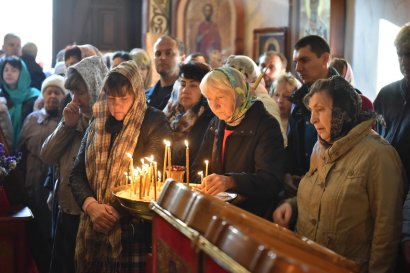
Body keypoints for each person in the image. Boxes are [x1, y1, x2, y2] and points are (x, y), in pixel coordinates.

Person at [273, 76, 404, 272]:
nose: (312, 119)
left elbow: (387, 232)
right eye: (311, 111)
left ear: (342, 111)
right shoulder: (321, 146)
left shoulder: (378, 155)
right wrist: (293, 206)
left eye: (320, 110)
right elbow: (324, 192)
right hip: (308, 262)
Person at [70, 60, 171, 273]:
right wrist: (92, 207)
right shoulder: (98, 122)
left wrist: (112, 212)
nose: (116, 105)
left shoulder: (154, 121)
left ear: (136, 95)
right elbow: (77, 173)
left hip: (130, 230)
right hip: (92, 226)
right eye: (111, 98)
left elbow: (150, 177)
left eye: (123, 98)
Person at [40, 56, 109, 273]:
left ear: (96, 85)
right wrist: (65, 126)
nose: (75, 99)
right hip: (66, 209)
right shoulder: (72, 117)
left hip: (92, 213)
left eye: (81, 92)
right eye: (72, 92)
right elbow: (47, 155)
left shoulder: (108, 121)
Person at [193, 66, 284, 218]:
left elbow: (271, 181)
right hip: (215, 212)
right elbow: (198, 167)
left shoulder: (266, 125)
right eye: (209, 99)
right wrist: (204, 183)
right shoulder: (215, 124)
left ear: (238, 94)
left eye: (220, 97)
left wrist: (232, 181)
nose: (214, 106)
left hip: (250, 216)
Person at [17, 74, 67, 273]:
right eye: (49, 92)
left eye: (57, 92)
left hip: (53, 190)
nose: (53, 96)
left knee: (50, 237)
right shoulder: (31, 119)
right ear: (43, 95)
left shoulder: (66, 123)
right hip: (30, 186)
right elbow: (20, 152)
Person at [286, 35, 338, 194]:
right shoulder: (297, 98)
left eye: (304, 60)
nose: (298, 68)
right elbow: (292, 142)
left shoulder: (345, 100)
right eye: (296, 62)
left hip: (329, 189)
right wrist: (287, 172)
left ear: (325, 59)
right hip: (299, 187)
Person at [223, 54, 287, 147]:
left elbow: (276, 143)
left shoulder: (263, 102)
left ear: (243, 76)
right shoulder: (242, 98)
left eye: (229, 78)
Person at [374, 23, 410, 186]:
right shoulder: (386, 94)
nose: (404, 62)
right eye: (400, 55)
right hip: (383, 183)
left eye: (409, 54)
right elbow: (370, 138)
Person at [163, 61, 213, 166]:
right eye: (183, 84)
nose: (185, 90)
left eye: (193, 85)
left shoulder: (209, 120)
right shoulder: (168, 112)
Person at [0, 56, 40, 148]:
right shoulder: (1, 95)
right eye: (6, 70)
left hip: (26, 147)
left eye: (14, 70)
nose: (9, 73)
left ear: (22, 73)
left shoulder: (34, 97)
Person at [146, 35, 185, 110]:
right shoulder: (145, 96)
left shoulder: (186, 95)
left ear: (182, 59)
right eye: (158, 54)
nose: (162, 58)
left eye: (168, 53)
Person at [272, 73, 302, 141]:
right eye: (276, 95)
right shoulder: (264, 121)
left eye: (286, 96)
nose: (280, 100)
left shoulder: (300, 125)